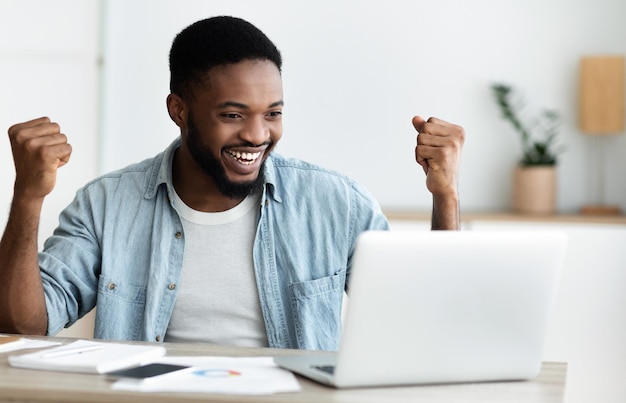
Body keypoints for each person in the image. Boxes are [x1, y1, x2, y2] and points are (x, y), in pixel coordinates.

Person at [0, 16, 464, 351]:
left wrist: (445, 197)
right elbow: (22, 326)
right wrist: (27, 197)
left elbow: (424, 327)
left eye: (273, 113)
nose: (258, 135)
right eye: (232, 115)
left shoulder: (335, 203)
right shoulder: (106, 204)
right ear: (179, 110)